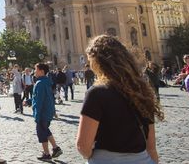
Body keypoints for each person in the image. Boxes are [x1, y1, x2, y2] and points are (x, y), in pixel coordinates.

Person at [76, 35, 163, 163]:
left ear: (98, 62)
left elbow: (83, 146)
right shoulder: (142, 91)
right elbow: (151, 148)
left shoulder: (97, 93)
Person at [32, 63, 62, 161]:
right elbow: (45, 97)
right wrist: (28, 101)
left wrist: (37, 114)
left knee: (41, 133)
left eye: (35, 69)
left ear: (41, 71)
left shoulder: (40, 83)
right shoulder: (46, 81)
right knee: (45, 130)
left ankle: (47, 154)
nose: (34, 71)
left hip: (42, 112)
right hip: (48, 111)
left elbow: (39, 100)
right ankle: (56, 148)